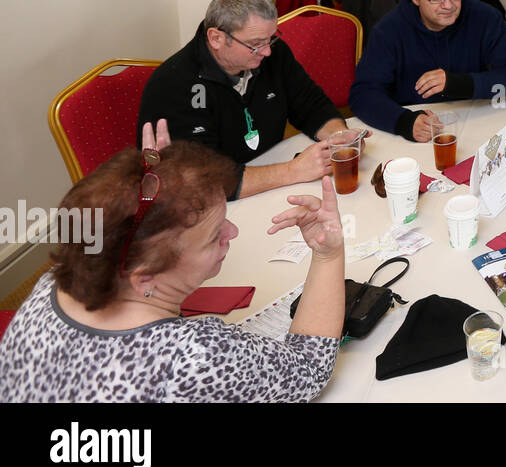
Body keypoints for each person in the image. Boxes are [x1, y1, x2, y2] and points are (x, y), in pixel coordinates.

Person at [0, 126, 344, 402]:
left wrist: (171, 194)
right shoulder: (193, 356)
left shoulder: (54, 282)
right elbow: (308, 369)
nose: (233, 232)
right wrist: (328, 254)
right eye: (213, 236)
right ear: (144, 276)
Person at [139, 0, 349, 200]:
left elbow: (311, 105)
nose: (267, 51)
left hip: (269, 183)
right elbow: (204, 179)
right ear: (216, 38)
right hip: (210, 207)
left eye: (271, 38)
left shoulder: (272, 54)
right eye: (255, 44)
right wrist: (293, 170)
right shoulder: (174, 85)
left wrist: (340, 138)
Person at [350, 0, 506, 142]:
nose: (448, 5)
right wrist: (404, 121)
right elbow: (363, 94)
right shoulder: (389, 29)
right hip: (414, 134)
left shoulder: (485, 18)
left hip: (477, 124)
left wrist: (458, 84)